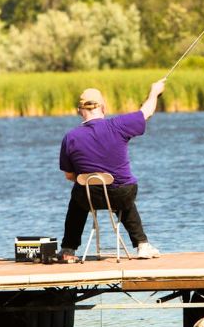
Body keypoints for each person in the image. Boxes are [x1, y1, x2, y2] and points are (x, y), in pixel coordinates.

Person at [58, 78, 166, 262]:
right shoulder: (118, 125)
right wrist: (154, 91)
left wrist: (90, 180)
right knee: (123, 193)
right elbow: (146, 112)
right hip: (121, 194)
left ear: (79, 111)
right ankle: (142, 245)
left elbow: (69, 175)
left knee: (77, 196)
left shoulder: (71, 137)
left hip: (88, 197)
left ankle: (68, 250)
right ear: (104, 108)